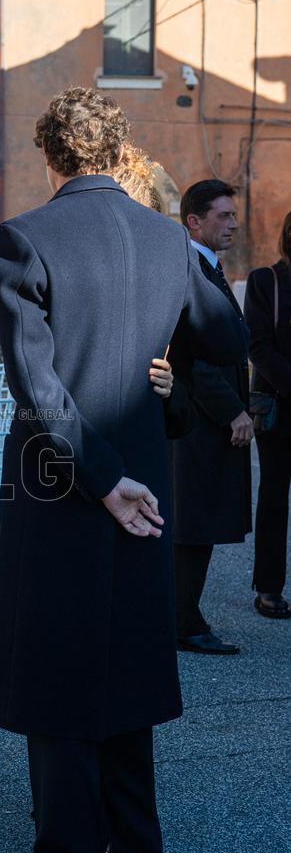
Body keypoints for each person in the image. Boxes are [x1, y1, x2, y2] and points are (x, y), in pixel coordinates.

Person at [0, 87, 247, 853]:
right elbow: (228, 338)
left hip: (65, 488)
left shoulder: (24, 236)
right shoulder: (170, 239)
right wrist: (161, 365)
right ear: (116, 150)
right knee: (126, 664)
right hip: (143, 482)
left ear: (50, 154)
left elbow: (36, 387)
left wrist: (97, 479)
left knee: (58, 679)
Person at [170, 180, 252, 655]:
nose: (234, 224)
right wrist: (233, 411)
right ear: (194, 221)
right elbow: (195, 357)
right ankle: (183, 620)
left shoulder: (208, 267)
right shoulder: (191, 270)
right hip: (197, 419)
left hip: (202, 417)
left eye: (233, 215)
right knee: (193, 522)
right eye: (223, 215)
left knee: (196, 521)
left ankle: (183, 614)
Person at [244, 210, 291, 619]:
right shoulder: (265, 281)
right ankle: (269, 588)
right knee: (274, 499)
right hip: (279, 408)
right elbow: (257, 346)